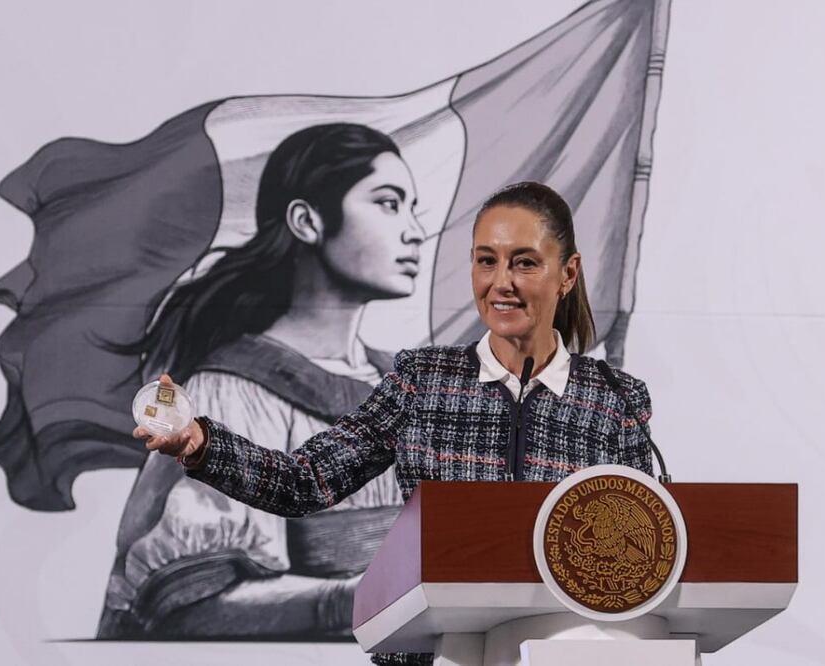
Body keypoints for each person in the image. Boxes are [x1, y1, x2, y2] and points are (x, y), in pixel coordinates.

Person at [138, 181, 655, 666]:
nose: (501, 283)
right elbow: (305, 481)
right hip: (432, 655)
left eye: (524, 263)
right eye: (485, 261)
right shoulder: (422, 381)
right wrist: (203, 445)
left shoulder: (616, 400)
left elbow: (651, 556)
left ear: (567, 274)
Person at [98, 123, 425, 640]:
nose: (414, 231)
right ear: (306, 221)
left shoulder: (410, 383)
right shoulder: (231, 391)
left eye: (413, 209)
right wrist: (370, 597)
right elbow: (191, 603)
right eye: (388, 204)